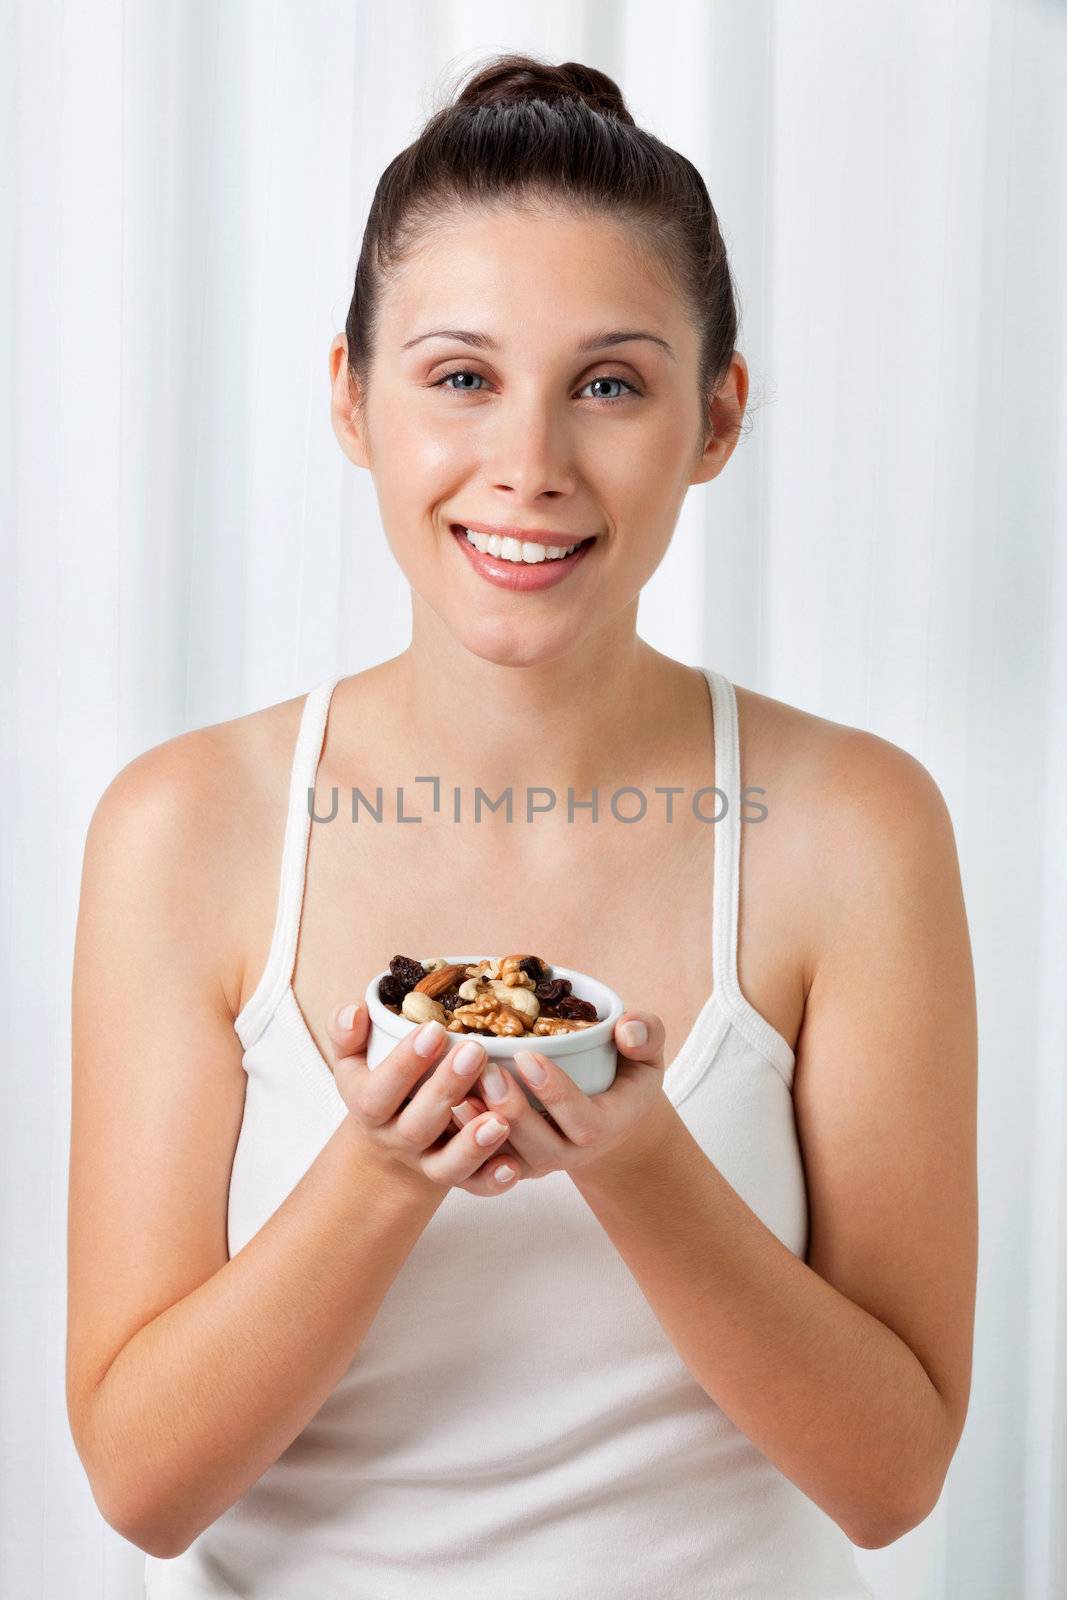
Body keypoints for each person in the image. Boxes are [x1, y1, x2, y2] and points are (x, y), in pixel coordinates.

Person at [66, 51, 977, 1599]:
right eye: (461, 376)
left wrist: (637, 1162)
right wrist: (380, 1174)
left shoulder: (856, 827)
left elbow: (893, 1481)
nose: (531, 467)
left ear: (715, 417)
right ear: (352, 399)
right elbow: (142, 1489)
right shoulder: (184, 829)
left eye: (609, 384)